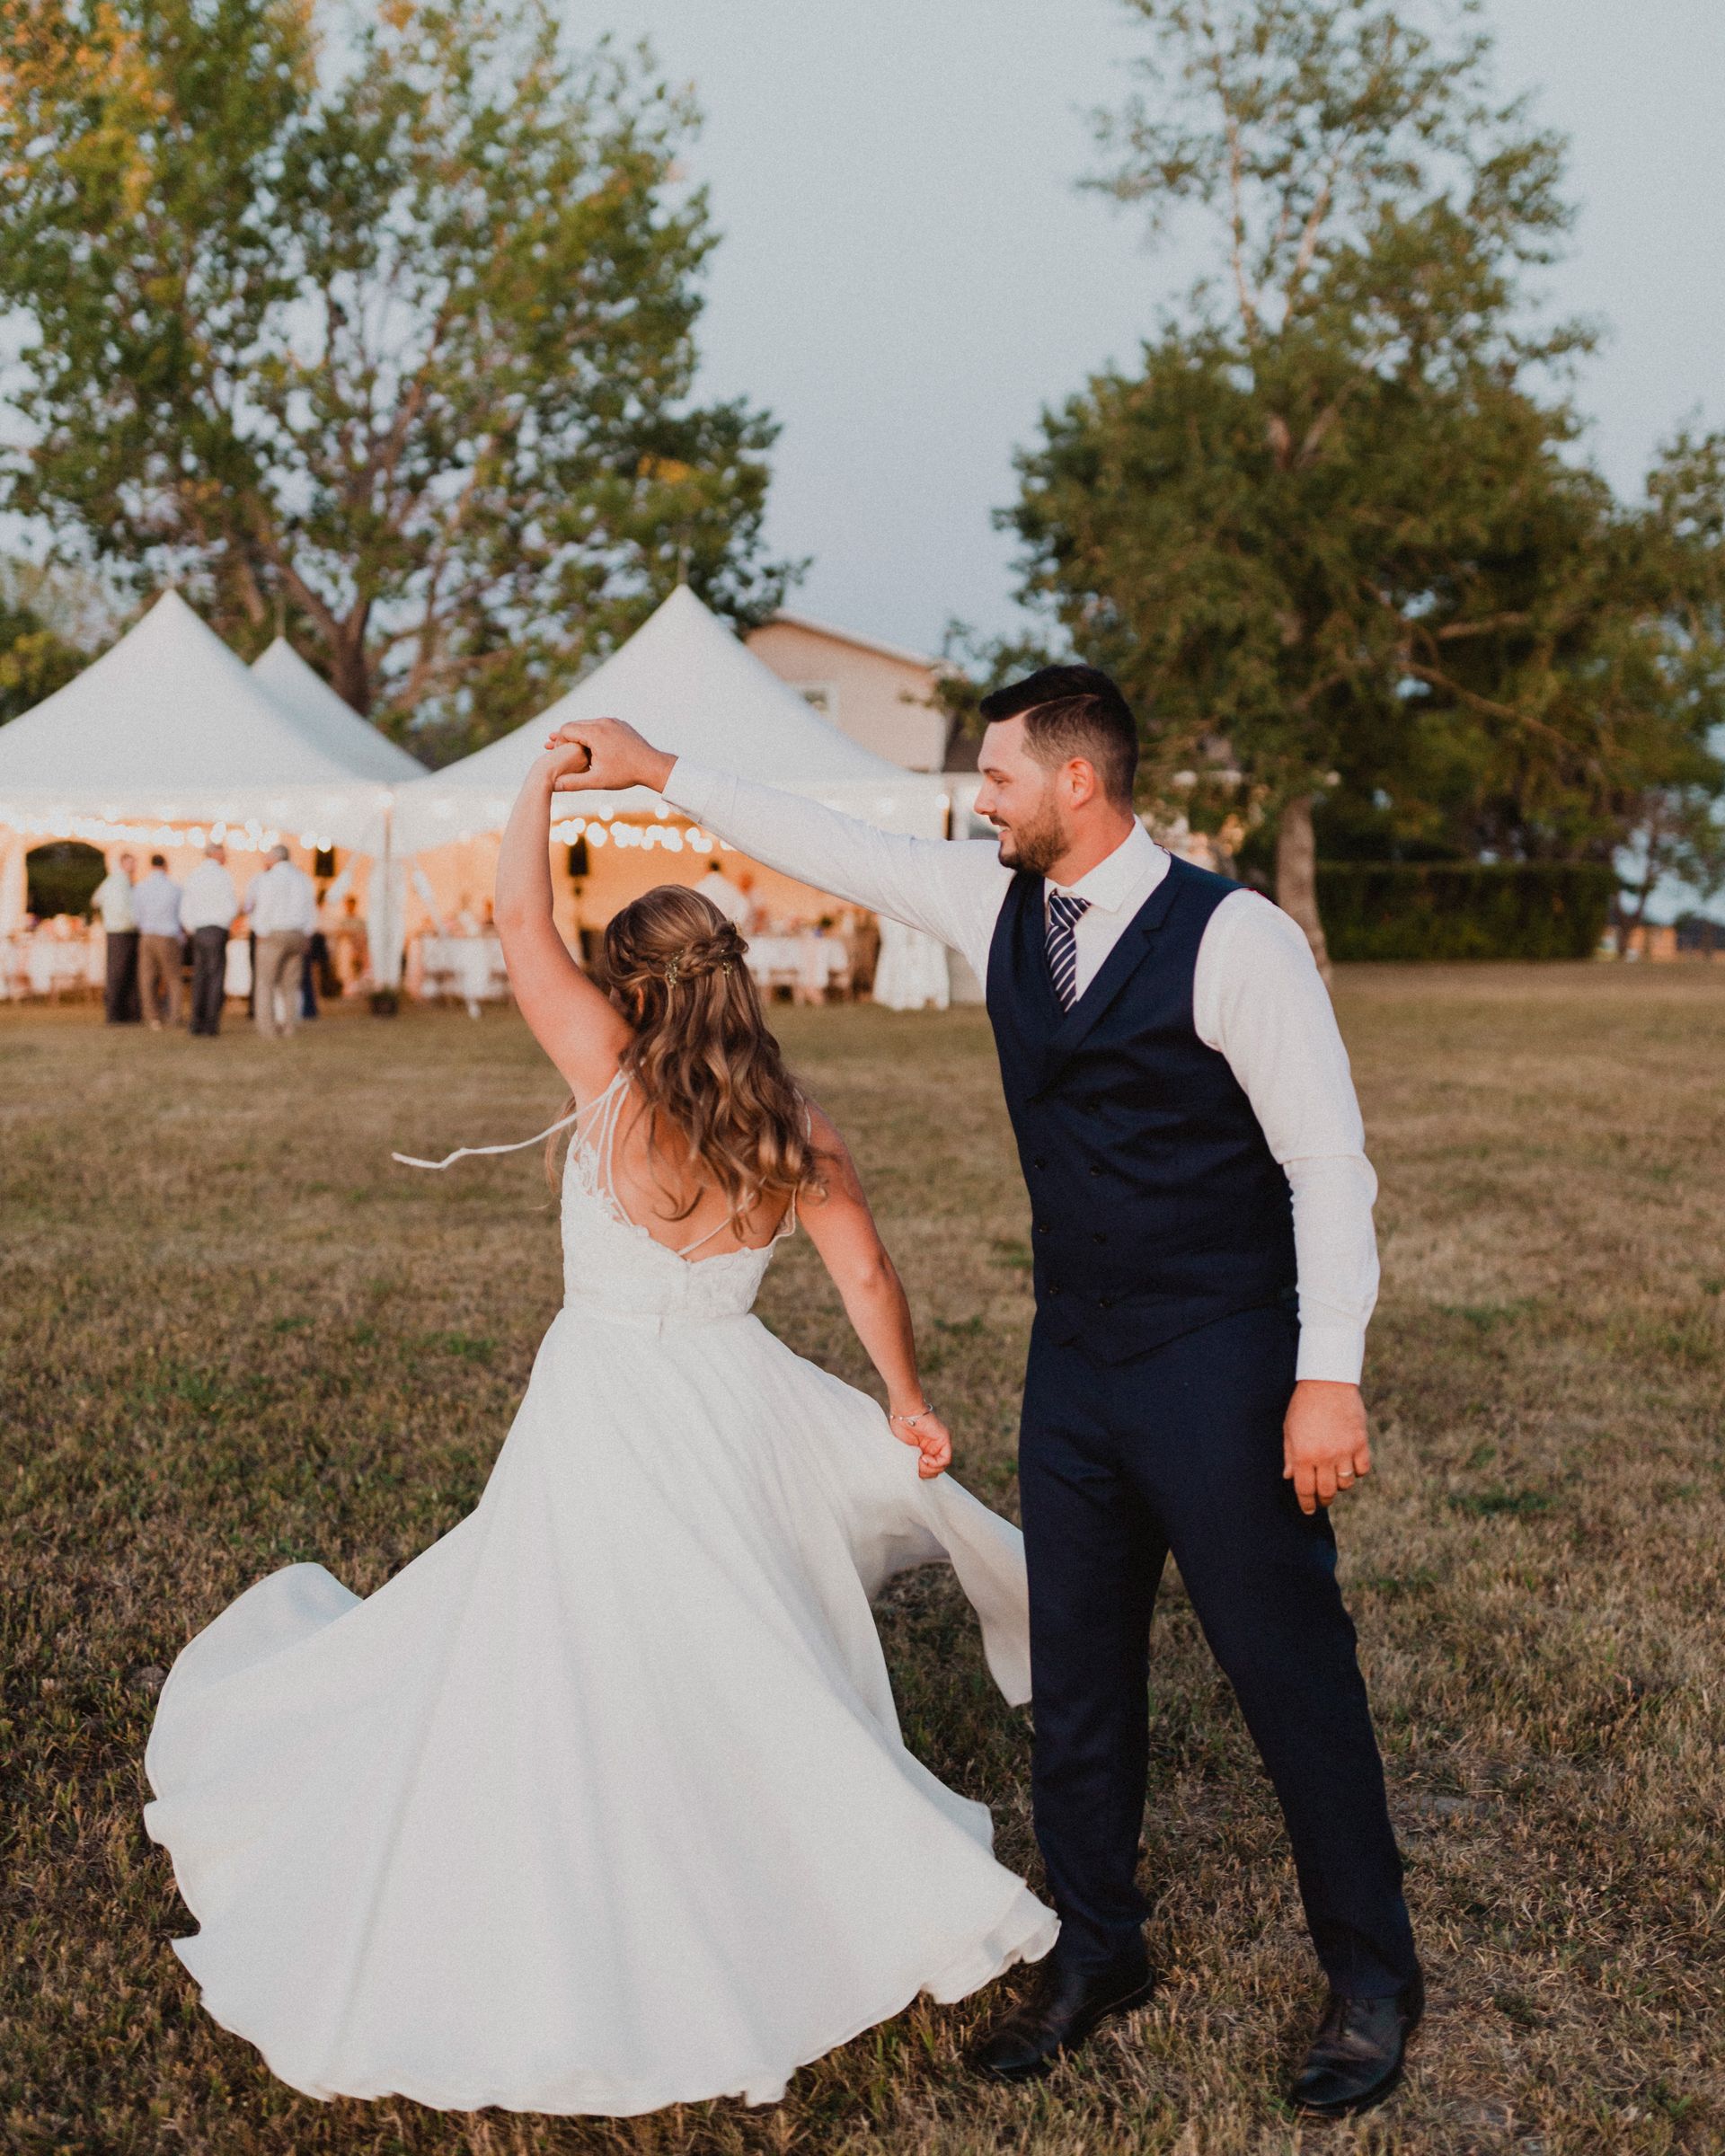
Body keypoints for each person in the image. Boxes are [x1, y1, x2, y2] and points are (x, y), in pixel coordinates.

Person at [545, 676, 1424, 2121]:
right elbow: (831, 842)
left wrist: (1326, 1374)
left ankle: (1373, 1979)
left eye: (1000, 777)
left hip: (1222, 1358)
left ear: (1079, 782)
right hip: (1073, 1360)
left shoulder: (1236, 938)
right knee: (1077, 1677)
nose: (978, 799)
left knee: (1287, 1670)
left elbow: (1328, 1163)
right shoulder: (993, 902)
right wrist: (659, 770)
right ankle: (1097, 1950)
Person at [142, 738, 1056, 2116]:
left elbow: (519, 921)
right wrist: (907, 1401)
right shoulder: (794, 1121)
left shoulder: (609, 1077)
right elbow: (865, 1275)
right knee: (731, 1629)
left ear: (629, 986)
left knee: (574, 1634)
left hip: (607, 1397)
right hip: (731, 1394)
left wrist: (538, 793)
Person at [244, 844, 317, 1038]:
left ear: (275, 858)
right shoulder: (303, 879)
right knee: (291, 984)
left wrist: (259, 930)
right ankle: (290, 1027)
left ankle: (267, 1029)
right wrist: (307, 933)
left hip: (274, 934)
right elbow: (311, 909)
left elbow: (263, 907)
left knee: (265, 983)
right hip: (297, 934)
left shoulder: (267, 879)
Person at [180, 842, 238, 1038]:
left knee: (200, 976)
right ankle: (211, 1024)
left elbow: (186, 906)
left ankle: (196, 1023)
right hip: (216, 929)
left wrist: (191, 928)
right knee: (215, 977)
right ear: (216, 854)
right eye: (224, 853)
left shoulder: (194, 876)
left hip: (199, 931)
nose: (226, 857)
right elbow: (231, 905)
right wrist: (225, 923)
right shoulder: (223, 876)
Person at [132, 853, 184, 1029]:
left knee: (147, 977)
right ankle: (174, 1015)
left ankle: (152, 1016)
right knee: (173, 978)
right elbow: (181, 914)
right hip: (168, 935)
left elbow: (136, 915)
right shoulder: (174, 888)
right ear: (165, 866)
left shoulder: (141, 888)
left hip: (147, 935)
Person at [92, 850, 141, 1024]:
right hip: (122, 931)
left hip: (119, 930)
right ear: (123, 864)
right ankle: (116, 1014)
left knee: (122, 972)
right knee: (119, 973)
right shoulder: (119, 882)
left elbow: (96, 900)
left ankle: (123, 1013)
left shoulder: (116, 881)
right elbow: (124, 909)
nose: (134, 866)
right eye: (131, 863)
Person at [694, 858, 754, 932]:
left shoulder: (701, 886)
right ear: (720, 869)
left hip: (708, 929)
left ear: (708, 869)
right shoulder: (729, 887)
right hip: (726, 929)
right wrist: (733, 924)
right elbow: (744, 905)